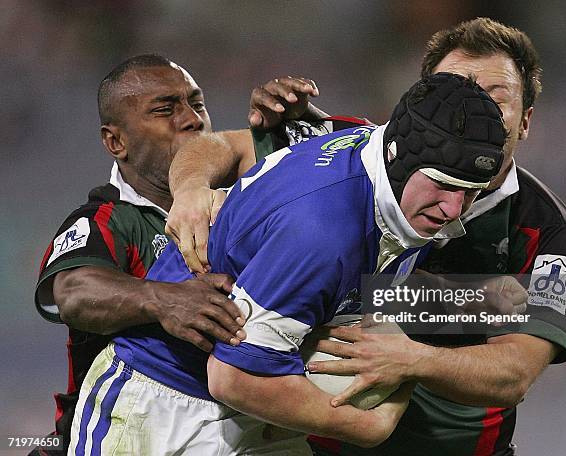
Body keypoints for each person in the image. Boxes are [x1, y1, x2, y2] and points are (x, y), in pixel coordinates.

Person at [168, 18, 566, 456]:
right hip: (323, 441)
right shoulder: (365, 151)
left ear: (525, 121)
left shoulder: (553, 233)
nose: (473, 110)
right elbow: (224, 147)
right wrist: (191, 189)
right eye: (458, 90)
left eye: (496, 99)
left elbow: (516, 371)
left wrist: (413, 357)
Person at [67, 73, 507, 455]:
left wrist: (417, 353)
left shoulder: (538, 223)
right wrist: (370, 426)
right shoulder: (323, 228)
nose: (454, 208)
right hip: (166, 408)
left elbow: (519, 346)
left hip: (262, 407)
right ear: (398, 150)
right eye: (442, 185)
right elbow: (234, 376)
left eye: (471, 191)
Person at [34, 54, 313, 455]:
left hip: (250, 429)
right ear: (116, 141)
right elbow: (74, 291)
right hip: (122, 432)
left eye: (196, 104)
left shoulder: (246, 200)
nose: (192, 119)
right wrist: (163, 298)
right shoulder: (107, 220)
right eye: (165, 110)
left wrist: (302, 127)